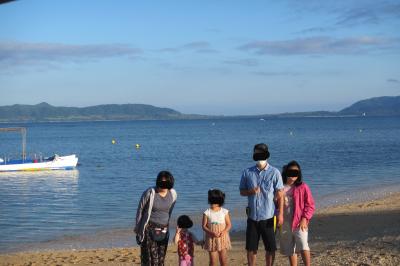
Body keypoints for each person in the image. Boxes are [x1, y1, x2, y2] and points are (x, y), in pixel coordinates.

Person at [239, 143, 284, 266]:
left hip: (269, 217)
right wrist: (251, 191)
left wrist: (280, 214)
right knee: (251, 248)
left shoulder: (275, 172)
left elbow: (280, 194)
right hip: (252, 217)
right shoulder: (247, 172)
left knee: (270, 248)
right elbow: (242, 192)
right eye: (256, 152)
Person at [134, 170, 177, 266]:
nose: (163, 185)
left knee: (161, 260)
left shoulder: (173, 194)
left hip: (164, 230)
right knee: (151, 260)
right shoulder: (150, 192)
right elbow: (140, 210)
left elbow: (169, 211)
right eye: (161, 182)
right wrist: (138, 228)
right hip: (149, 230)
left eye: (166, 182)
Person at [280, 161, 315, 266]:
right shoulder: (280, 187)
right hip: (285, 223)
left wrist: (305, 218)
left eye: (296, 172)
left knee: (304, 246)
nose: (293, 175)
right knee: (290, 249)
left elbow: (310, 205)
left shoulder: (303, 187)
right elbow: (275, 205)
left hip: (300, 222)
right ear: (286, 172)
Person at [202, 189, 232, 266]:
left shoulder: (224, 211)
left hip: (222, 238)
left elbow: (229, 225)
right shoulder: (207, 212)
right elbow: (204, 226)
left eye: (213, 201)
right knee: (213, 261)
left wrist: (224, 232)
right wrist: (211, 232)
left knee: (223, 260)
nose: (212, 203)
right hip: (211, 239)